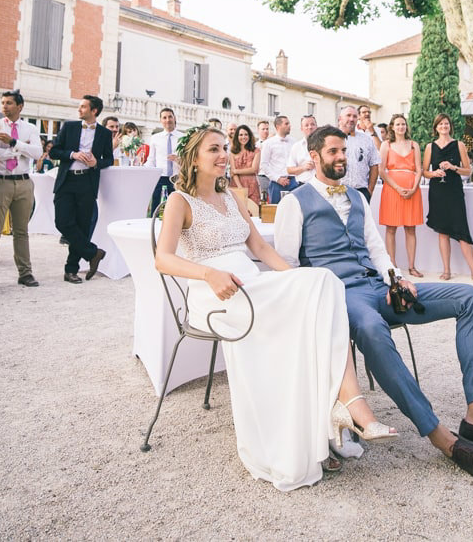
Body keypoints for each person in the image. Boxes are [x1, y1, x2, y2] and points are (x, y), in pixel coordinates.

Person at [275, 126, 473, 482]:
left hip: (378, 286)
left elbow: (376, 248)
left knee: (469, 297)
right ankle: (442, 438)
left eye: (345, 152)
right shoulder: (294, 202)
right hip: (339, 297)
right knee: (370, 327)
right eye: (334, 152)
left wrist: (395, 279)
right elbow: (289, 266)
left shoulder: (357, 197)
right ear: (314, 156)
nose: (342, 158)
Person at [155, 125, 397, 490]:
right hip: (214, 294)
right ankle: (338, 413)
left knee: (322, 284)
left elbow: (263, 250)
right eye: (213, 150)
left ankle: (346, 403)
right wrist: (208, 273)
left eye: (224, 148)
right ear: (193, 158)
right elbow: (162, 259)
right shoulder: (179, 201)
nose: (224, 155)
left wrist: (296, 281)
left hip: (252, 284)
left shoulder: (234, 197)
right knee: (311, 304)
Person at [51, 94, 114, 283]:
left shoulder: (104, 133)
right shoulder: (69, 127)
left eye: (83, 107)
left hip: (87, 182)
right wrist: (72, 154)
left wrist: (96, 163)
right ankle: (93, 252)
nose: (79, 109)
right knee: (62, 222)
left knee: (82, 226)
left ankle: (71, 270)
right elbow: (54, 150)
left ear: (94, 111)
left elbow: (108, 159)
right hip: (66, 181)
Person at [0, 89, 43, 288]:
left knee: (21, 231)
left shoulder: (30, 128)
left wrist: (14, 143)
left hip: (23, 182)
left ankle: (25, 273)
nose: (5, 106)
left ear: (20, 106)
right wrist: (19, 150)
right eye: (3, 102)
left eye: (9, 103)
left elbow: (37, 153)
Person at [422, 114, 473, 281]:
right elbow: (424, 171)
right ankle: (446, 270)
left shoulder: (459, 145)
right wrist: (434, 173)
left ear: (450, 126)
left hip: (454, 191)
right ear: (436, 127)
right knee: (442, 231)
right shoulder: (430, 147)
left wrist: (453, 167)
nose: (444, 126)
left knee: (462, 229)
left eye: (446, 123)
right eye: (440, 124)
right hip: (437, 192)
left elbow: (468, 170)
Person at [377, 113, 424, 277]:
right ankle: (393, 267)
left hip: (412, 189)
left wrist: (413, 187)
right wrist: (397, 188)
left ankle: (412, 266)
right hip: (392, 189)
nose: (401, 127)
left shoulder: (414, 145)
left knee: (411, 229)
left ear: (406, 126)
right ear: (392, 127)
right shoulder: (386, 145)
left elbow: (419, 169)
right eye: (397, 124)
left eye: (403, 124)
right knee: (391, 228)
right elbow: (381, 170)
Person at [337, 106, 380, 202]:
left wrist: (369, 191)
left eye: (355, 116)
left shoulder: (366, 139)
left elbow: (374, 164)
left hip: (361, 192)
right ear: (340, 118)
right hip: (337, 190)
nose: (352, 119)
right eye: (348, 115)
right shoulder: (332, 138)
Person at [147, 108, 179, 215]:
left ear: (174, 118)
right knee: (157, 211)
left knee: (175, 211)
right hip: (160, 179)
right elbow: (151, 160)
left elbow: (190, 160)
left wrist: (179, 160)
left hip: (177, 179)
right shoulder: (155, 138)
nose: (167, 120)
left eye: (170, 116)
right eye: (164, 117)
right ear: (161, 120)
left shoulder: (183, 138)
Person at [260, 115, 298, 204]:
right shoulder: (268, 143)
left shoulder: (295, 142)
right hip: (276, 183)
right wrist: (277, 179)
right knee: (275, 212)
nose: (290, 126)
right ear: (278, 126)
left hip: (293, 182)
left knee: (294, 210)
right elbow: (264, 165)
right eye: (286, 124)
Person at [229, 124, 261, 204]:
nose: (243, 137)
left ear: (249, 136)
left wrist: (236, 171)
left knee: (253, 211)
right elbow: (233, 173)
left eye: (246, 134)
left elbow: (254, 169)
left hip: (252, 185)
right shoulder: (232, 152)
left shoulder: (256, 151)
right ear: (237, 136)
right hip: (236, 185)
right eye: (241, 135)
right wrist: (240, 188)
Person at [286, 114, 320, 187]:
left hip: (320, 185)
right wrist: (304, 167)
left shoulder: (324, 145)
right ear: (302, 129)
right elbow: (289, 170)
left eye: (312, 124)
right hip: (302, 186)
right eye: (306, 125)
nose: (310, 127)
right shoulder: (296, 147)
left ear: (316, 127)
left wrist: (318, 165)